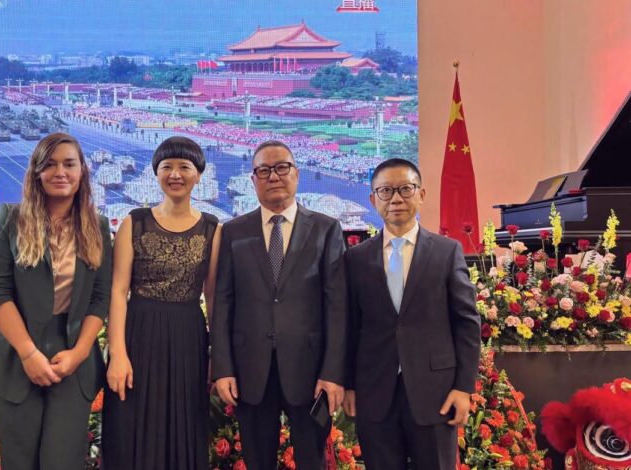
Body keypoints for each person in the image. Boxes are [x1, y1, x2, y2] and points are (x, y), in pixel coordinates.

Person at [0, 133, 112, 470]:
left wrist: (79, 353)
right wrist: (29, 353)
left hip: (73, 361)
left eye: (68, 164)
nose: (59, 172)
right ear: (36, 172)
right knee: (20, 462)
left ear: (82, 172)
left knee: (62, 461)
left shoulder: (98, 226)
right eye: (49, 164)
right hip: (17, 357)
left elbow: (100, 298)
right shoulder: (10, 218)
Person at [211, 140, 347, 470]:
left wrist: (332, 373)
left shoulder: (326, 229)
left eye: (282, 167)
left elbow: (337, 307)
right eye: (264, 170)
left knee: (312, 460)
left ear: (296, 174)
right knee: (258, 460)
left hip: (310, 369)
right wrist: (223, 368)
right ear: (253, 179)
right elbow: (223, 303)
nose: (274, 176)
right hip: (250, 369)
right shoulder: (232, 232)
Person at [343, 158, 480, 470]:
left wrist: (463, 388)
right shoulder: (355, 258)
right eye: (386, 191)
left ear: (421, 194)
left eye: (405, 189)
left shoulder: (447, 251)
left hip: (437, 393)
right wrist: (349, 384)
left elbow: (467, 323)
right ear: (373, 199)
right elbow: (350, 327)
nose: (396, 199)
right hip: (374, 392)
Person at [101, 136, 221, 469]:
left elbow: (211, 297)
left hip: (188, 336)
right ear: (156, 174)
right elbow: (117, 291)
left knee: (183, 423)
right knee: (131, 424)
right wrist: (118, 355)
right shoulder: (134, 221)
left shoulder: (213, 228)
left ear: (199, 175)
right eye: (167, 166)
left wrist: (218, 356)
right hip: (138, 334)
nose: (175, 174)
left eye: (185, 166)